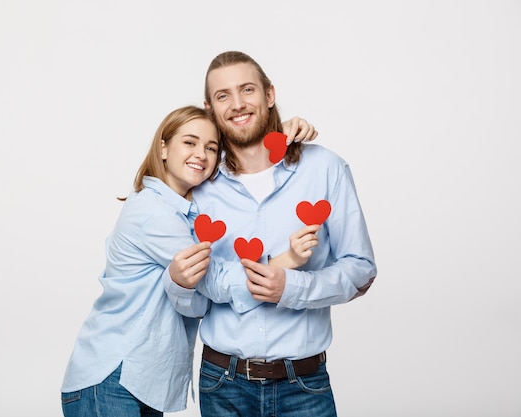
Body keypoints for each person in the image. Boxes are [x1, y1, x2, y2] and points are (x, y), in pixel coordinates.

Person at [60, 105, 319, 417]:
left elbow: (197, 305)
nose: (202, 154)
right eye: (189, 142)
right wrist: (285, 260)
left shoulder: (188, 213)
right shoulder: (153, 212)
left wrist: (279, 135)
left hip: (139, 380)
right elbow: (216, 284)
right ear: (164, 148)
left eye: (211, 148)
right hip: (113, 374)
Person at [166, 51, 377, 417]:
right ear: (209, 108)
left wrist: (291, 288)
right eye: (222, 96)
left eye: (247, 89)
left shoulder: (325, 168)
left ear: (269, 95)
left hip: (304, 385)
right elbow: (198, 288)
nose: (237, 104)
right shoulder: (198, 184)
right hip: (222, 384)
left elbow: (361, 270)